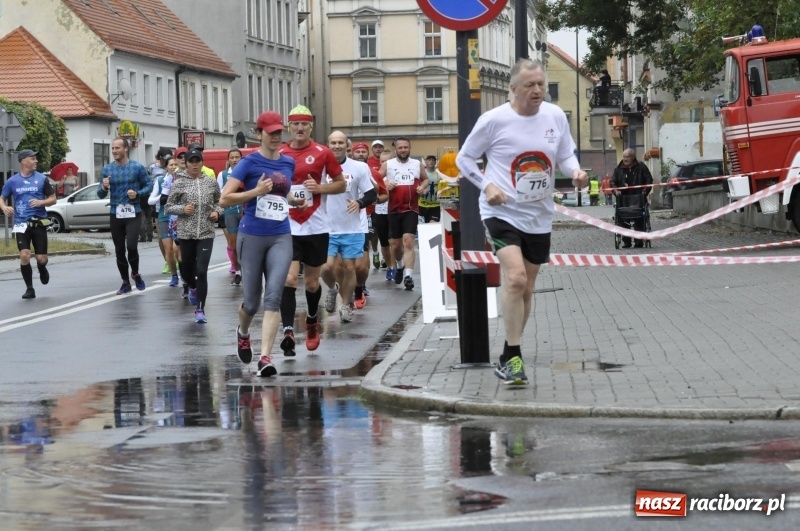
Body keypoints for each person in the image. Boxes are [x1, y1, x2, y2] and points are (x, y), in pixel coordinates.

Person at [456, 59, 588, 386]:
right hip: (501, 212)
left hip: (539, 215)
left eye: (541, 84)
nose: (537, 90)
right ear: (512, 89)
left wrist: (575, 171)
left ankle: (507, 353)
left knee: (527, 288)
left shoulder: (555, 116)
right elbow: (464, 159)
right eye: (530, 85)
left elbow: (565, 154)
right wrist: (487, 186)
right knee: (514, 279)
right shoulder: (494, 120)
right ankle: (514, 356)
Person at [220, 110, 305, 376]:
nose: (277, 137)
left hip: (281, 235)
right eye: (271, 133)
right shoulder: (248, 164)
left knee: (274, 297)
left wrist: (295, 200)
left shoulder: (288, 163)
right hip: (252, 235)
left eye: (280, 132)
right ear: (260, 134)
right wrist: (256, 192)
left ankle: (265, 357)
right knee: (252, 302)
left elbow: (284, 192)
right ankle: (243, 332)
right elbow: (224, 199)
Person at [277, 105, 346, 356]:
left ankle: (312, 319)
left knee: (312, 282)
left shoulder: (322, 152)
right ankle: (287, 331)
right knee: (289, 279)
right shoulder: (280, 153)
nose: (299, 128)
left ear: (310, 127)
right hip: (288, 224)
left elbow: (340, 184)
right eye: (295, 123)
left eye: (304, 124)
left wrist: (319, 189)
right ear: (288, 126)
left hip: (316, 224)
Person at [320, 132, 377, 322]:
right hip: (327, 226)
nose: (336, 146)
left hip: (351, 227)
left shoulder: (358, 167)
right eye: (333, 142)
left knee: (350, 268)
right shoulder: (321, 167)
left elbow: (371, 194)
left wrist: (360, 202)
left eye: (340, 143)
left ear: (347, 146)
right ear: (328, 145)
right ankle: (332, 288)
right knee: (326, 268)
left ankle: (345, 305)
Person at [165, 149, 223, 323]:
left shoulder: (211, 182)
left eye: (198, 161)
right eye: (192, 161)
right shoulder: (179, 182)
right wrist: (182, 209)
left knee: (202, 271)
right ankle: (191, 286)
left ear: (202, 162)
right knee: (188, 270)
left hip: (206, 232)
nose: (195, 164)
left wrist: (217, 213)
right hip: (186, 233)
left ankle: (200, 309)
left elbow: (220, 202)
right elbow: (168, 206)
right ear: (187, 163)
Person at [97, 137, 153, 295]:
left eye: (117, 148)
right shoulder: (107, 169)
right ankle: (125, 282)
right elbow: (100, 194)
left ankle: (135, 273)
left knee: (132, 247)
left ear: (125, 149)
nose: (114, 151)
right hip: (115, 213)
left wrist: (137, 194)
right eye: (113, 148)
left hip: (133, 212)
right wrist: (103, 187)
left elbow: (149, 185)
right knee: (119, 250)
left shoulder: (137, 167)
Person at [0, 150, 57, 299]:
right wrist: (4, 207)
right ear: (23, 161)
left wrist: (41, 202)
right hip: (21, 224)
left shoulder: (41, 179)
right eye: (33, 159)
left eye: (36, 159)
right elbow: (2, 198)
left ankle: (42, 267)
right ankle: (29, 289)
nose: (35, 161)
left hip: (39, 222)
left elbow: (53, 199)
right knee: (24, 255)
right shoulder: (12, 181)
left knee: (41, 258)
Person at [380, 137, 429, 290]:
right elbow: (375, 179)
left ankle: (408, 276)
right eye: (400, 148)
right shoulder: (388, 164)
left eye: (405, 147)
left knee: (408, 241)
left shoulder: (416, 164)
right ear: (396, 150)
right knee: (395, 245)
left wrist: (422, 187)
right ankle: (400, 266)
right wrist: (386, 183)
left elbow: (425, 179)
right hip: (394, 209)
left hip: (411, 208)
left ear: (409, 149)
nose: (403, 150)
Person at [352, 141, 388, 306]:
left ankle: (361, 284)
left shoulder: (374, 172)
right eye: (357, 152)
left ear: (368, 154)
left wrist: (374, 200)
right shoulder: (344, 171)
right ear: (352, 153)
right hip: (347, 218)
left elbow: (384, 194)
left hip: (368, 215)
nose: (360, 154)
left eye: (363, 152)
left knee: (362, 257)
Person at [148, 154, 179, 287]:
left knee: (176, 248)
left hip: (178, 216)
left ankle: (183, 272)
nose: (173, 167)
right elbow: (150, 200)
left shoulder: (182, 180)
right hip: (164, 216)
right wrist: (162, 196)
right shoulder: (160, 181)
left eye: (175, 164)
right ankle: (174, 275)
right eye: (171, 165)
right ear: (166, 167)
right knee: (168, 249)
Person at [612, 148, 653, 248]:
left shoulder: (641, 166)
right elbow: (612, 182)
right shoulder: (618, 169)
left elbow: (649, 180)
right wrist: (616, 191)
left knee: (639, 218)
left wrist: (644, 191)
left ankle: (638, 241)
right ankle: (626, 241)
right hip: (624, 199)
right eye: (624, 157)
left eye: (627, 157)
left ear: (633, 157)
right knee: (623, 218)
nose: (625, 159)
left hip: (638, 198)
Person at [217, 148, 244, 284]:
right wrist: (230, 186)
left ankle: (248, 271)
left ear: (241, 158)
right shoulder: (223, 175)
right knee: (233, 244)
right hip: (230, 211)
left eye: (237, 157)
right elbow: (218, 194)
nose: (234, 160)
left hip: (245, 211)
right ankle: (238, 271)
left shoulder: (247, 172)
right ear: (228, 160)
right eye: (232, 157)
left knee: (248, 244)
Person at [418, 155, 441, 223]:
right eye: (429, 160)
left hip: (435, 205)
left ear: (435, 162)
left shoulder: (439, 174)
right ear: (425, 162)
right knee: (422, 227)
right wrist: (421, 190)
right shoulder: (421, 173)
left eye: (433, 160)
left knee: (432, 224)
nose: (431, 161)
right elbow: (416, 185)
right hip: (422, 205)